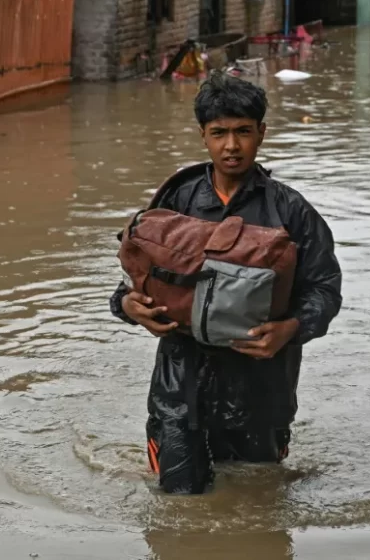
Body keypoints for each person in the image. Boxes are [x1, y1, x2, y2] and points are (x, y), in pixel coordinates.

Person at [109, 72, 342, 495]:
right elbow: (135, 278)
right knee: (178, 507)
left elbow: (325, 289)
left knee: (259, 505)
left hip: (262, 388)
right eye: (219, 133)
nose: (231, 146)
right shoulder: (174, 203)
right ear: (203, 136)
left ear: (262, 134)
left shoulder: (291, 211)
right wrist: (127, 306)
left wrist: (290, 329)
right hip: (179, 386)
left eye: (242, 132)